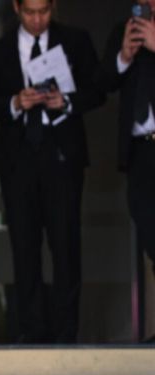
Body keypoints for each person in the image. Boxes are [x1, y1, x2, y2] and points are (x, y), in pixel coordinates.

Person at [0, 0, 104, 343]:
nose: (37, 19)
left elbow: (98, 90)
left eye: (44, 11)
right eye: (30, 12)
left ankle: (66, 334)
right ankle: (31, 332)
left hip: (63, 157)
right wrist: (16, 102)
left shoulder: (75, 41)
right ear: (17, 8)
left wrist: (67, 101)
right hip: (18, 160)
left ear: (53, 8)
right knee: (24, 246)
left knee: (66, 246)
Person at [95, 0, 155, 268]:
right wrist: (124, 57)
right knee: (148, 228)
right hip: (139, 149)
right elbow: (103, 82)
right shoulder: (124, 31)